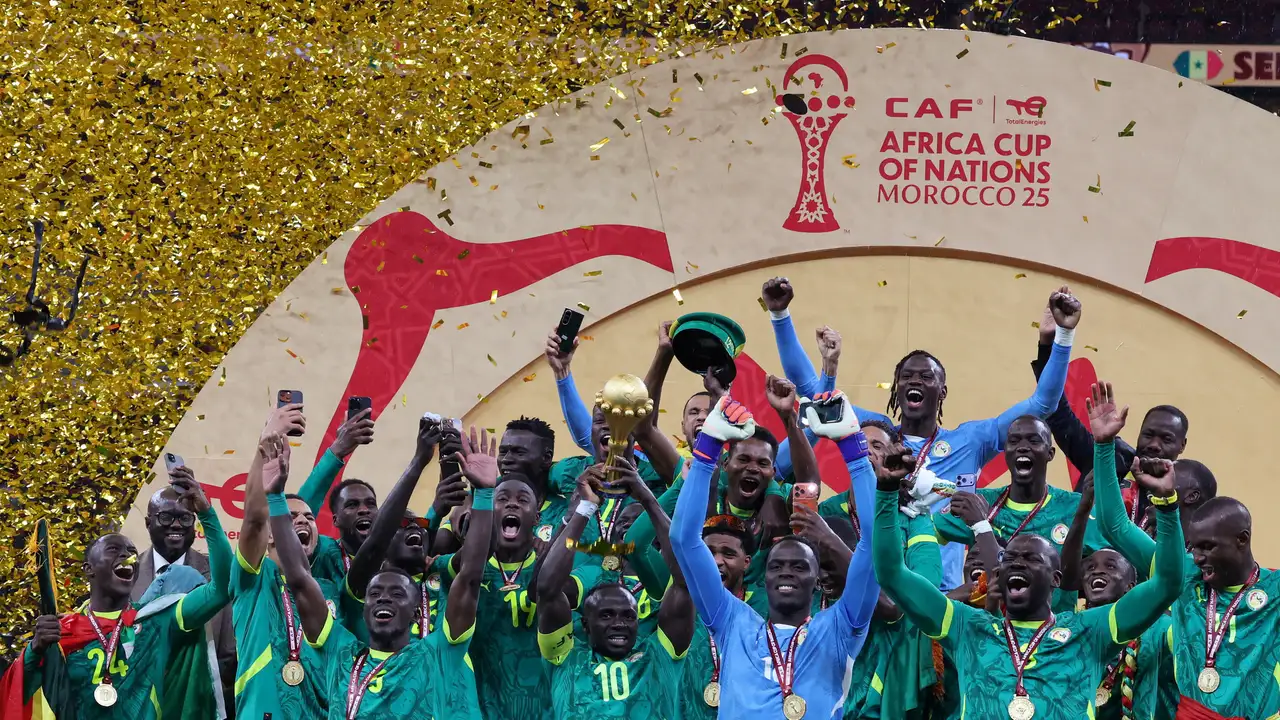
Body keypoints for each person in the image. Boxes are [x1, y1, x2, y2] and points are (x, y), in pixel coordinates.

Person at [765, 277, 1081, 589]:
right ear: (896, 389)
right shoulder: (877, 434)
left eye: (926, 377)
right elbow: (811, 392)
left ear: (942, 391)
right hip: (875, 593)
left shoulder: (971, 441)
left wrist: (1061, 335)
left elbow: (1043, 402)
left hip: (943, 597)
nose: (915, 381)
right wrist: (780, 316)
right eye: (906, 376)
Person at [670, 392, 881, 718]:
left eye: (799, 566)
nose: (786, 572)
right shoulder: (732, 622)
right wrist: (708, 446)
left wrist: (853, 446)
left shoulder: (840, 627)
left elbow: (874, 545)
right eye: (777, 565)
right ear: (763, 576)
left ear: (816, 582)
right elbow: (684, 540)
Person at [267, 417, 489, 719]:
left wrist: (486, 494)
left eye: (397, 593)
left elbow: (472, 575)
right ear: (362, 605)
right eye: (375, 593)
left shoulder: (434, 654)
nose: (383, 598)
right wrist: (275, 499)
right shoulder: (341, 654)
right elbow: (300, 579)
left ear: (416, 612)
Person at [1088, 380, 1280, 717]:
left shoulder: (1275, 591)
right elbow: (1114, 525)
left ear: (1242, 540)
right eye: (1196, 547)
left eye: (1207, 547)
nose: (1198, 556)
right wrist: (1103, 447)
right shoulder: (1184, 576)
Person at [21, 475, 231, 720]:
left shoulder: (158, 618)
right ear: (88, 569)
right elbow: (24, 697)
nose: (127, 557)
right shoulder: (64, 631)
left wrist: (206, 513)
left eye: (131, 552)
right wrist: (34, 650)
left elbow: (222, 588)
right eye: (113, 550)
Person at [536, 454, 695, 717]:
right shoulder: (564, 656)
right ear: (584, 625)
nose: (619, 623)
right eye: (606, 615)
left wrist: (647, 497)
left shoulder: (660, 655)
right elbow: (548, 590)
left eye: (628, 616)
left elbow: (684, 584)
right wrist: (585, 508)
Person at [229, 406, 347, 720]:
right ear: (271, 535)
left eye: (310, 517)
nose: (303, 521)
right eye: (291, 516)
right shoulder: (252, 578)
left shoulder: (327, 589)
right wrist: (265, 445)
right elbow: (254, 520)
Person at [1059, 479, 1176, 720]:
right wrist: (1081, 513)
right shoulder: (1066, 627)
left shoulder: (1157, 630)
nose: (1096, 571)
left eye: (1111, 566)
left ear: (1131, 587)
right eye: (1089, 567)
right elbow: (1064, 577)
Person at [133, 464, 237, 716]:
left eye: (185, 518)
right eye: (166, 517)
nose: (176, 525)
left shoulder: (219, 573)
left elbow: (230, 653)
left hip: (201, 707)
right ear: (148, 523)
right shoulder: (125, 576)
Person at [294, 407, 378, 585]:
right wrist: (337, 450)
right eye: (352, 505)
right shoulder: (323, 552)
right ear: (335, 520)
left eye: (371, 504)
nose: (364, 510)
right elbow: (297, 515)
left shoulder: (395, 554)